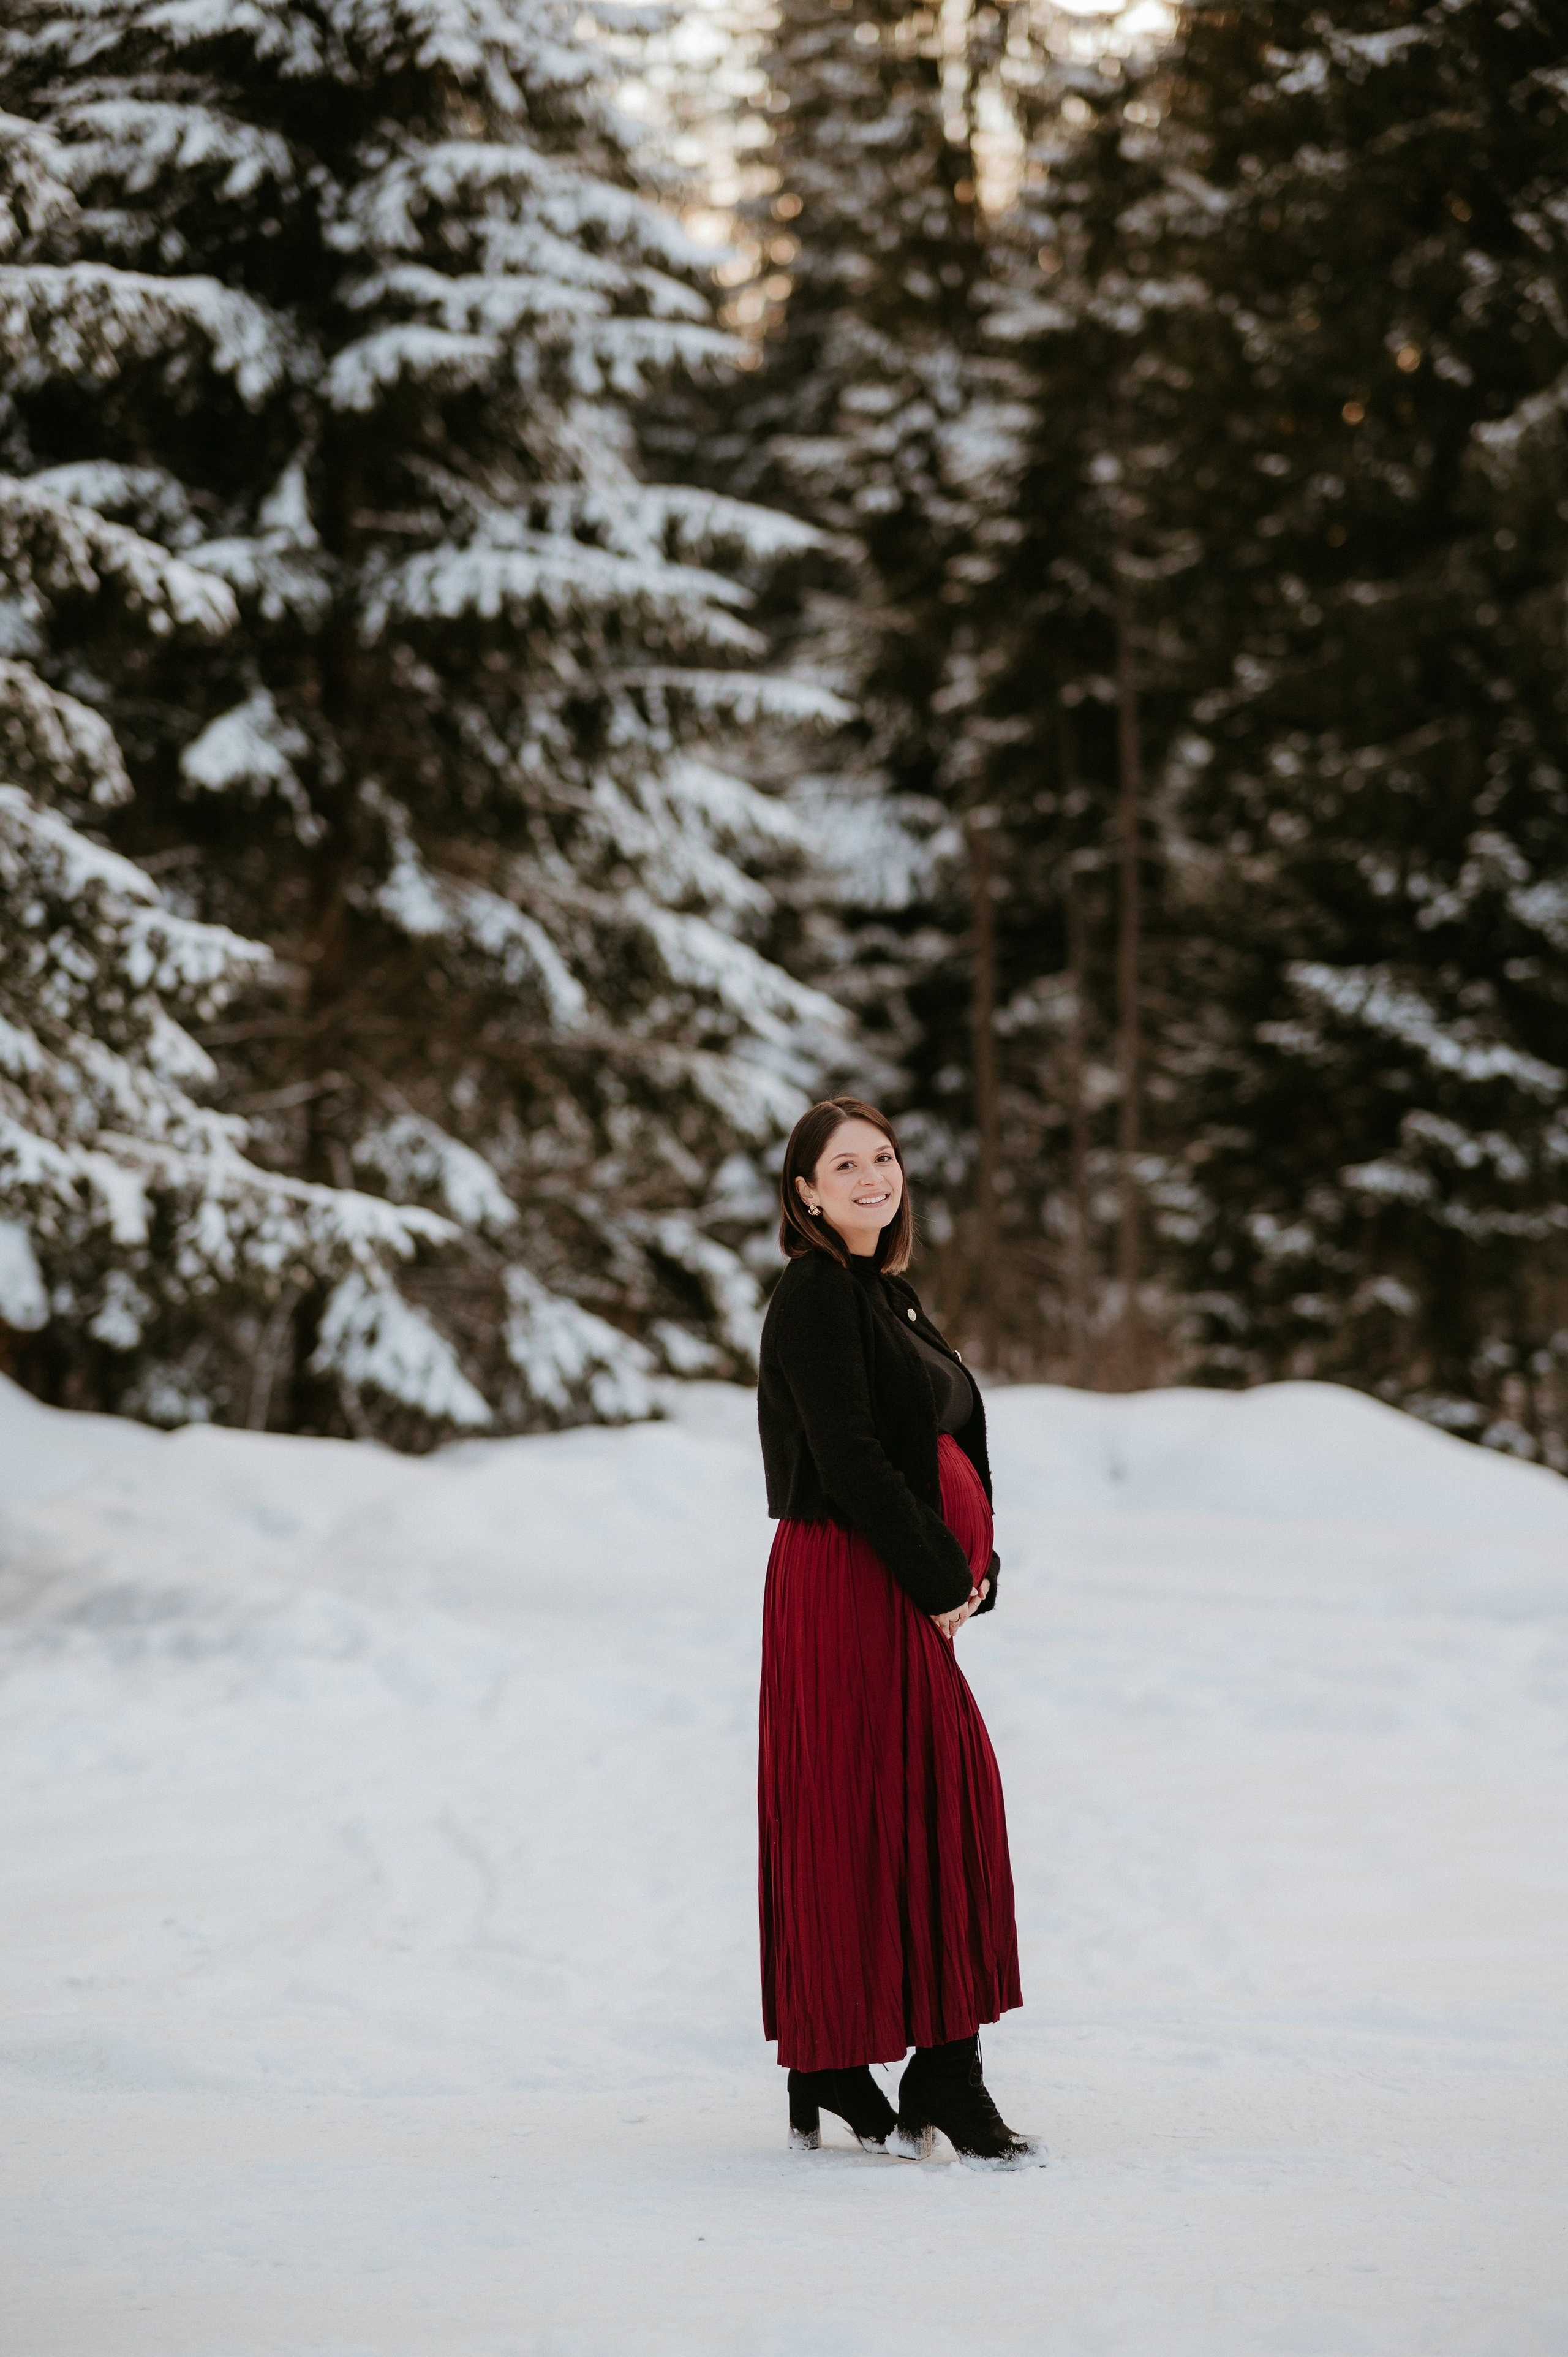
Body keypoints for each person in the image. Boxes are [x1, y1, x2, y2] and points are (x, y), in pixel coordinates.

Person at [756, 1095, 1042, 2170]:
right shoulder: (816, 1298)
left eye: (885, 1157)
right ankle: (933, 2075)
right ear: (806, 1193)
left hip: (899, 1582)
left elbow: (945, 1435)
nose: (875, 1177)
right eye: (846, 1165)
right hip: (847, 1581)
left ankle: (858, 2064)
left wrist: (981, 1562)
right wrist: (935, 1575)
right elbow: (852, 1461)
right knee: (913, 1799)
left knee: (904, 1803)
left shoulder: (885, 1295)